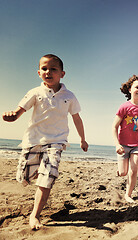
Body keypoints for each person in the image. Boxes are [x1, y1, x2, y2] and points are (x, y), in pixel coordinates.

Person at [2, 54, 88, 230]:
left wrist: (82, 139)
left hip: (56, 142)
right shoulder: (35, 92)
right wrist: (13, 116)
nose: (48, 72)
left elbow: (77, 119)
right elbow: (20, 111)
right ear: (39, 72)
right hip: (33, 140)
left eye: (53, 69)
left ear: (62, 74)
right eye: (44, 69)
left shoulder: (69, 96)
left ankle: (35, 215)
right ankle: (31, 175)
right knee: (24, 176)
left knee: (47, 177)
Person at [112, 75, 138, 203]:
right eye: (137, 87)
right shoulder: (124, 107)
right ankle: (120, 171)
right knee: (123, 172)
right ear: (130, 89)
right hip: (123, 145)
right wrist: (117, 145)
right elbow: (114, 127)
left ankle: (128, 195)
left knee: (134, 169)